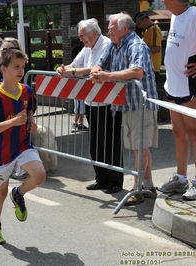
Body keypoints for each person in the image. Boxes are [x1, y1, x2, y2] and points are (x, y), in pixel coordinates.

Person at [89, 12, 159, 205]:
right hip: (127, 103)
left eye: (112, 27)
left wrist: (107, 76)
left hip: (140, 103)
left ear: (125, 28)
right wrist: (96, 69)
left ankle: (138, 188)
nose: (108, 30)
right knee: (139, 148)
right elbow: (99, 63)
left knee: (139, 147)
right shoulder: (114, 45)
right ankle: (149, 185)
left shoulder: (136, 45)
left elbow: (137, 71)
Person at [0, 48, 46, 244]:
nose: (20, 71)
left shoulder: (27, 91)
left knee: (40, 175)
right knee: (0, 193)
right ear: (3, 69)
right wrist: (12, 122)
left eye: (23, 67)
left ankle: (18, 194)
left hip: (23, 145)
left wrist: (31, 122)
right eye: (16, 67)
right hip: (2, 153)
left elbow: (29, 109)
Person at [56, 18, 123, 194]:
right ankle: (101, 178)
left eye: (82, 36)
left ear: (94, 33)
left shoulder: (107, 44)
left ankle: (115, 180)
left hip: (108, 101)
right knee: (95, 141)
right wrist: (63, 69)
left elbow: (94, 69)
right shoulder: (87, 47)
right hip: (91, 100)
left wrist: (73, 71)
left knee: (110, 141)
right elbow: (75, 65)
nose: (81, 40)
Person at [156, 0, 196, 201]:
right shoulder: (175, 16)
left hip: (190, 85)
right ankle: (181, 178)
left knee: (194, 131)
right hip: (172, 85)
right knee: (178, 132)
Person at [134, 11, 162, 84]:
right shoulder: (148, 30)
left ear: (145, 20)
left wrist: (139, 49)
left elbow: (156, 48)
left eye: (140, 24)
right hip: (148, 66)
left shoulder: (154, 29)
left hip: (152, 67)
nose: (139, 27)